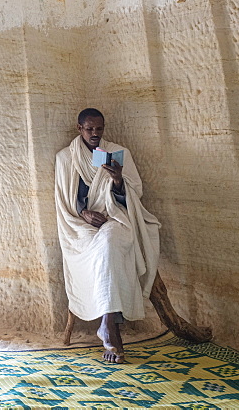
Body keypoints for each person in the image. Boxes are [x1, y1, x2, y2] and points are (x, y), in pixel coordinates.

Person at [54, 108, 160, 364]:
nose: (95, 134)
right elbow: (63, 201)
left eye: (99, 129)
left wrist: (119, 181)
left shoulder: (116, 153)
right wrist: (84, 214)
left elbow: (135, 193)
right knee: (102, 247)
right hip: (80, 226)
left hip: (113, 218)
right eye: (89, 129)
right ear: (79, 128)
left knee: (110, 242)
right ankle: (110, 328)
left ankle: (108, 323)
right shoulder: (66, 158)